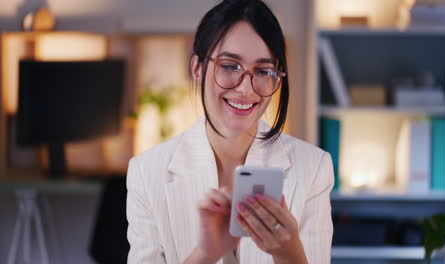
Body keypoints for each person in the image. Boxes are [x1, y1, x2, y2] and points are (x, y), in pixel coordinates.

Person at [126, 0, 334, 263]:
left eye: (263, 71)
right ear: (197, 69)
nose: (246, 89)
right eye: (229, 66)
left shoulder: (314, 167)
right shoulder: (146, 172)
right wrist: (205, 254)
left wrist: (288, 252)